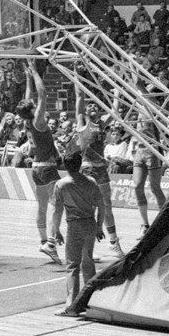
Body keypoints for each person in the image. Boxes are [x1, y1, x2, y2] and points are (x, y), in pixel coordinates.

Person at [15, 66, 62, 263]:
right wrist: (35, 72)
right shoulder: (38, 121)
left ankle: (44, 241)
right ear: (32, 109)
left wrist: (27, 78)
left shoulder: (26, 121)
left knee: (42, 207)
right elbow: (42, 93)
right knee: (58, 204)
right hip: (48, 167)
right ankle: (51, 241)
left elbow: (29, 97)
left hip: (35, 167)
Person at [51, 152, 106, 317]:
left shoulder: (62, 184)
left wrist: (56, 231)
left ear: (65, 166)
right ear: (80, 163)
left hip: (74, 225)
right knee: (88, 264)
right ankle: (92, 301)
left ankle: (72, 306)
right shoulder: (91, 182)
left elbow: (57, 210)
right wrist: (98, 227)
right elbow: (102, 206)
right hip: (90, 223)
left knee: (72, 265)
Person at [74, 84, 123, 257]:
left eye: (95, 105)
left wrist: (116, 90)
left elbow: (115, 111)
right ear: (86, 111)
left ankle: (113, 243)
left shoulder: (102, 124)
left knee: (106, 205)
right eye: (90, 106)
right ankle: (87, 247)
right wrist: (76, 78)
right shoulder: (81, 122)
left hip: (102, 170)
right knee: (88, 208)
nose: (93, 106)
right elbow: (79, 97)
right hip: (87, 169)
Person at [131, 114, 167, 233]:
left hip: (152, 150)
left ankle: (165, 219)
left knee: (155, 187)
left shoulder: (151, 105)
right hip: (139, 150)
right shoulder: (136, 106)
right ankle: (144, 224)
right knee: (137, 186)